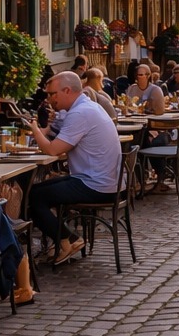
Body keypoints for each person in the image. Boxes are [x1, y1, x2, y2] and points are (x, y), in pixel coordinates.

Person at [26, 73, 122, 266]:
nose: (50, 99)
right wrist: (48, 129)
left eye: (53, 94)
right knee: (37, 190)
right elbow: (61, 138)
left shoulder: (80, 113)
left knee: (33, 197)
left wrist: (35, 130)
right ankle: (63, 239)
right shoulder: (87, 107)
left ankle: (67, 240)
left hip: (95, 185)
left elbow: (53, 150)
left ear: (67, 90)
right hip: (103, 181)